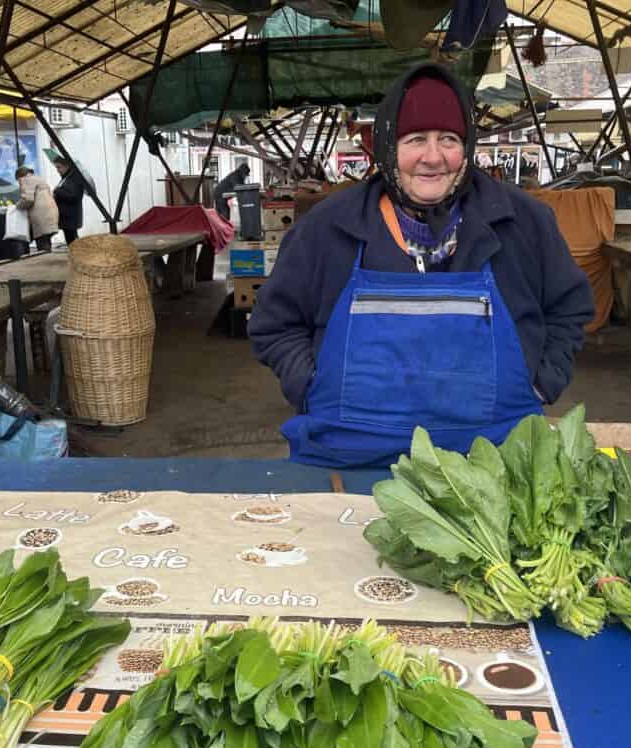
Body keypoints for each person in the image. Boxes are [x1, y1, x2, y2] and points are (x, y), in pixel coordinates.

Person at [248, 63, 594, 469]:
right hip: (347, 456)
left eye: (448, 139)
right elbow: (274, 324)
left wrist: (540, 383)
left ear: (466, 146)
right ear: (387, 147)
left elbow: (569, 308)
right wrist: (311, 384)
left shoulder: (524, 222)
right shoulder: (327, 227)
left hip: (496, 464)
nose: (433, 157)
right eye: (415, 139)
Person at [14, 166, 59, 252]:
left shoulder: (26, 180)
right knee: (46, 242)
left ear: (19, 176)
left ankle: (45, 263)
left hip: (41, 217)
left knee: (42, 246)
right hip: (51, 213)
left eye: (18, 181)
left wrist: (16, 206)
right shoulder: (39, 179)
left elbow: (28, 199)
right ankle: (48, 261)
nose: (19, 183)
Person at [52, 157, 86, 243]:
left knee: (72, 241)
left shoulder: (73, 178)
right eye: (56, 167)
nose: (57, 170)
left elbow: (73, 196)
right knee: (71, 239)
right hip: (67, 216)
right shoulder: (66, 177)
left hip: (70, 216)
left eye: (59, 167)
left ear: (66, 166)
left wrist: (57, 190)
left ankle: (77, 255)